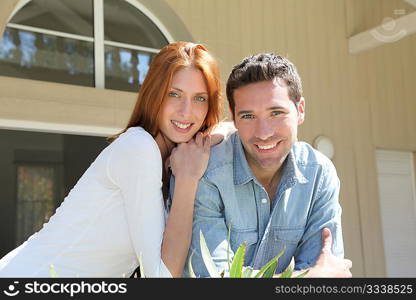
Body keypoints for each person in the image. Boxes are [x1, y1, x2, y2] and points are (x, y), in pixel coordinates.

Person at [0, 42, 223, 278]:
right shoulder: (139, 147)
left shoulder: (167, 157)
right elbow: (161, 277)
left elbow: (231, 129)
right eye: (174, 94)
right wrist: (188, 179)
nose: (186, 111)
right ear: (154, 94)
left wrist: (213, 138)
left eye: (200, 98)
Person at [183, 53, 352, 277]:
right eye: (248, 116)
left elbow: (328, 269)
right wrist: (310, 277)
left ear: (300, 110)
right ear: (233, 119)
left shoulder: (319, 174)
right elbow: (213, 277)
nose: (264, 133)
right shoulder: (207, 172)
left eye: (276, 113)